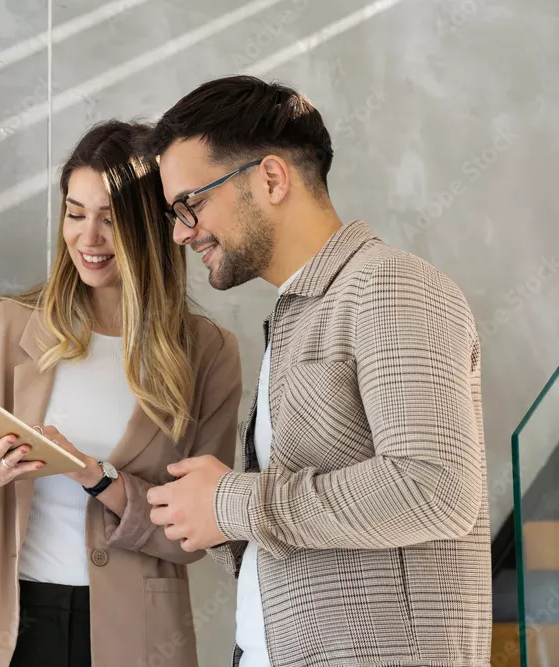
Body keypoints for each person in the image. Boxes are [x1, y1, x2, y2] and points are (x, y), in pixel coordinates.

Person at [144, 76, 492, 667]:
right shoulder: (298, 313)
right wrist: (215, 516)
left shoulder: (388, 286)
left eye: (189, 204)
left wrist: (230, 502)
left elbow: (435, 489)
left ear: (271, 179)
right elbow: (311, 531)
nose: (180, 233)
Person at [0, 120, 243, 667]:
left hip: (138, 636)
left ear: (153, 226)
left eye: (111, 218)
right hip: (6, 630)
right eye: (75, 214)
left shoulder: (208, 354)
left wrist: (98, 476)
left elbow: (196, 534)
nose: (88, 238)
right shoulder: (2, 329)